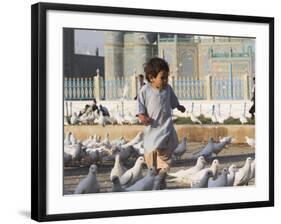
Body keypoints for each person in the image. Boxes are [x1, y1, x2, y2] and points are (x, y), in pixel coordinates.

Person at [136, 57, 186, 189]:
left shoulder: (168, 89)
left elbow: (173, 101)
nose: (165, 81)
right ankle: (159, 182)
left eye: (166, 78)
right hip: (152, 130)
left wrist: (178, 106)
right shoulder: (144, 91)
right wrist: (142, 117)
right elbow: (140, 108)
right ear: (152, 77)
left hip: (166, 129)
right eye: (162, 78)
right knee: (152, 161)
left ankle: (163, 174)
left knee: (164, 157)